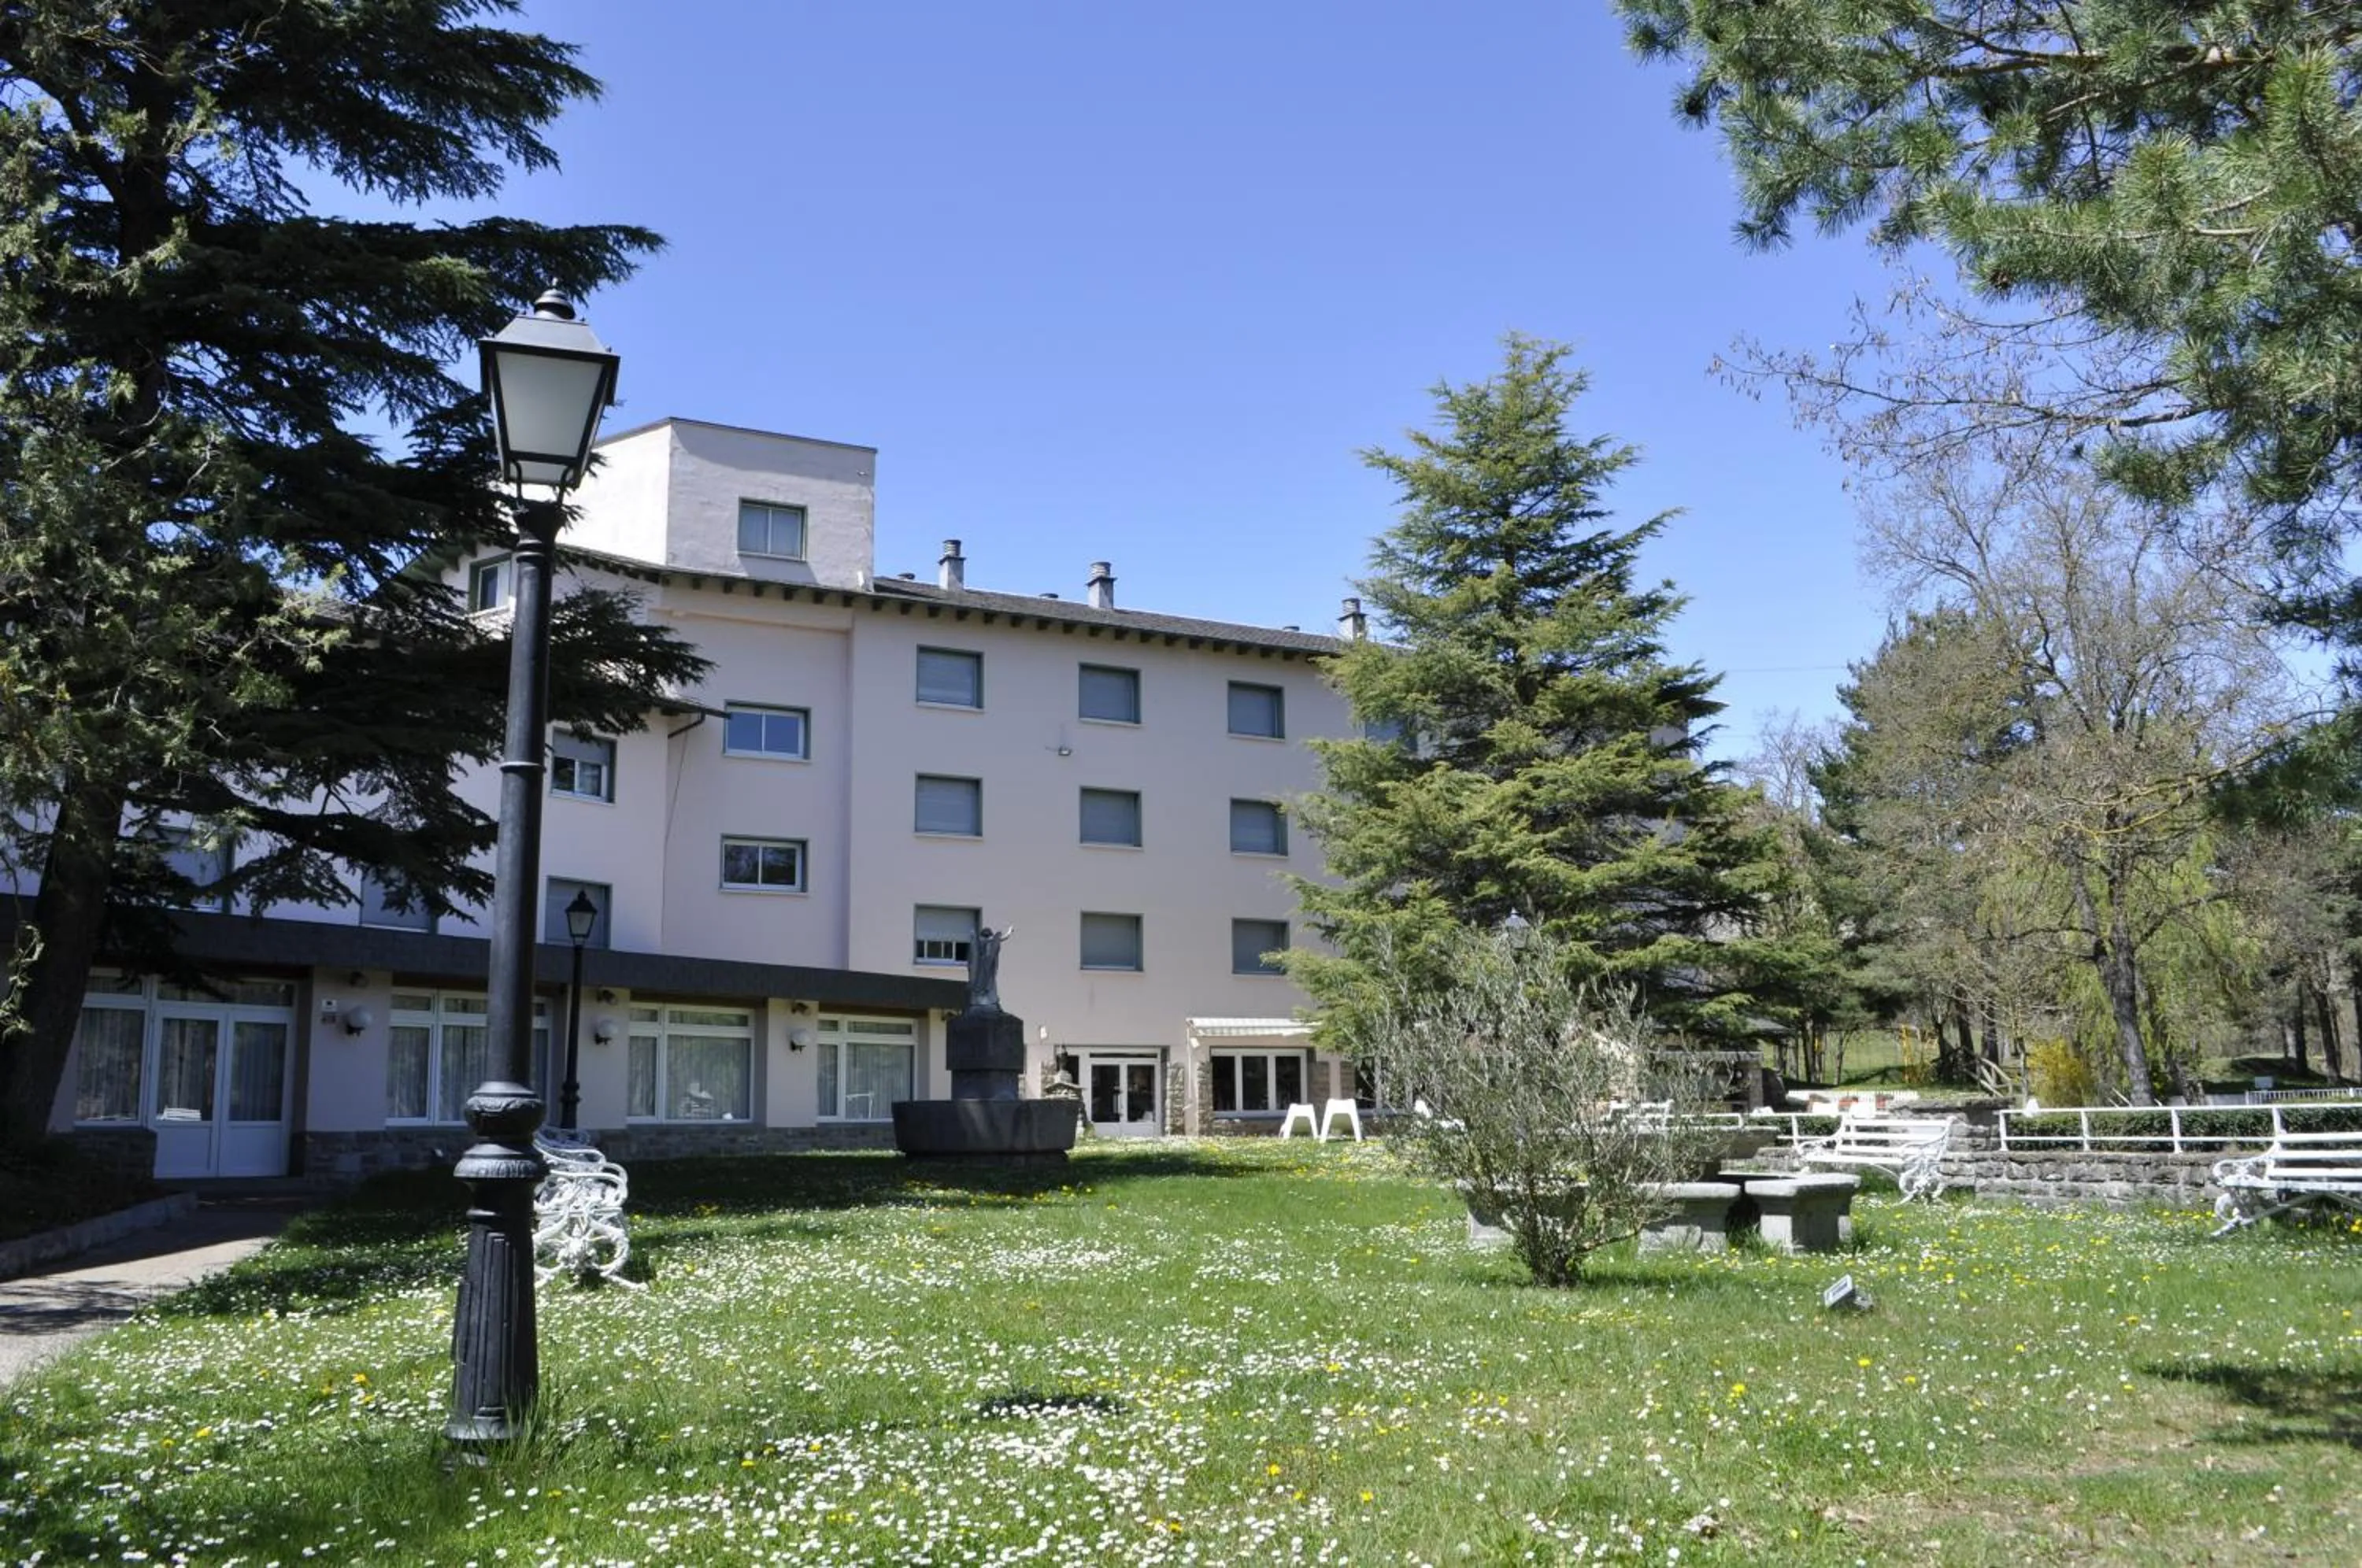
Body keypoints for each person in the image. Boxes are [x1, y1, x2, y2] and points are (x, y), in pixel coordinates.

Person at [968, 923, 1009, 1011]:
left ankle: (989, 1000)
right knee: (984, 983)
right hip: (983, 967)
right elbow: (1001, 939)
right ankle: (982, 1000)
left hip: (987, 967)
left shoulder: (980, 941)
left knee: (989, 984)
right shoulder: (984, 941)